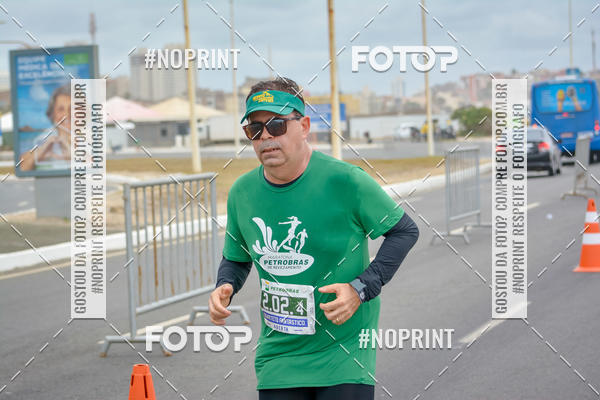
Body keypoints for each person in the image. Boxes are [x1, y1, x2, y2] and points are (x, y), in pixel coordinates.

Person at [208, 77, 419, 400]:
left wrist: (360, 288)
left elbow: (404, 231)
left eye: (276, 125)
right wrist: (225, 285)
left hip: (344, 352)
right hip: (279, 356)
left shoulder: (345, 181)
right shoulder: (242, 192)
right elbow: (237, 257)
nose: (265, 136)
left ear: (304, 126)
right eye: (255, 129)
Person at [19, 84, 71, 171]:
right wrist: (42, 150)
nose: (66, 115)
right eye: (60, 109)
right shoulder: (44, 139)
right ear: (52, 114)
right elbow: (21, 168)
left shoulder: (90, 136)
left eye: (72, 108)